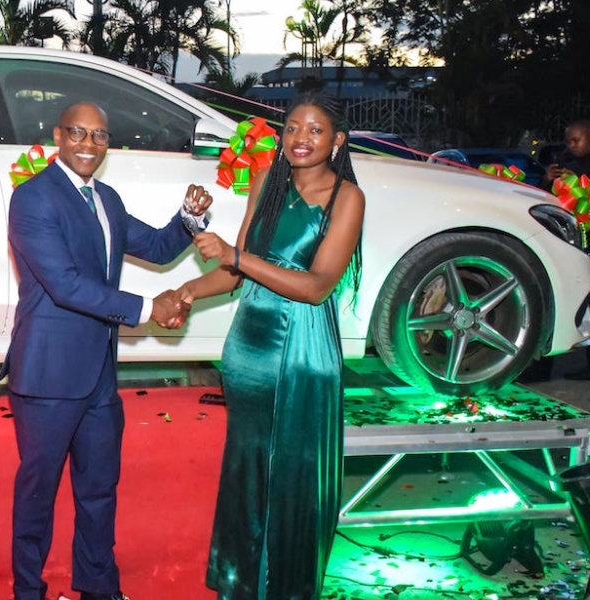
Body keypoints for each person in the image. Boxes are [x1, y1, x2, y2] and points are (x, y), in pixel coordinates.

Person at [0, 101, 211, 600]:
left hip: (98, 376)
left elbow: (158, 247)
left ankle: (97, 587)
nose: (88, 144)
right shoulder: (32, 199)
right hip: (48, 376)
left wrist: (188, 218)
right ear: (58, 135)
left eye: (98, 135)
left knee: (98, 491)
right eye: (78, 133)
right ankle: (28, 591)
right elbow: (66, 286)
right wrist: (147, 308)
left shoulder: (107, 199)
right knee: (38, 495)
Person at [171, 92, 365, 600]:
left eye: (315, 130)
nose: (301, 138)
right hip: (249, 352)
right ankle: (239, 584)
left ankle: (287, 588)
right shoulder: (264, 182)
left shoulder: (346, 197)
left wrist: (237, 255)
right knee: (248, 469)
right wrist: (186, 290)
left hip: (304, 353)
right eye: (293, 127)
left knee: (295, 474)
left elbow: (317, 284)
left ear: (337, 141)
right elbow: (237, 274)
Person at [519, 120, 590, 383]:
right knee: (569, 301)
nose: (571, 145)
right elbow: (547, 202)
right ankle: (579, 364)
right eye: (568, 140)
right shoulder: (566, 163)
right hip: (571, 244)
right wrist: (548, 179)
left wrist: (582, 194)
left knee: (583, 303)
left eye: (576, 140)